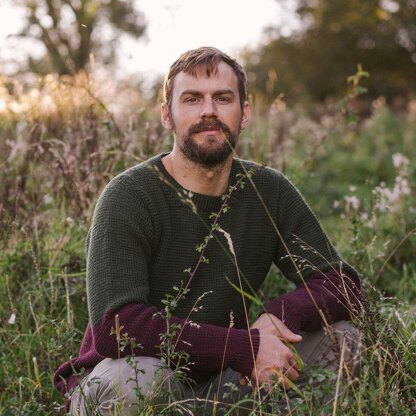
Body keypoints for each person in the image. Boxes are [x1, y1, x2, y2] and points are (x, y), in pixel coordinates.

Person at [54, 46, 362, 415]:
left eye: (222, 98)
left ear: (244, 113)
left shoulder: (268, 191)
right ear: (167, 115)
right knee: (140, 378)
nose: (208, 111)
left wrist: (280, 318)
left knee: (341, 338)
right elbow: (118, 326)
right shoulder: (129, 196)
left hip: (227, 381)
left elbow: (342, 283)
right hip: (133, 378)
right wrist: (244, 347)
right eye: (192, 99)